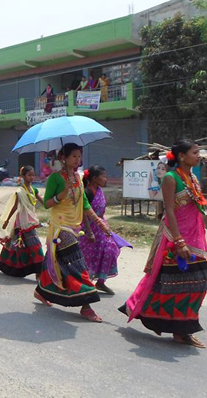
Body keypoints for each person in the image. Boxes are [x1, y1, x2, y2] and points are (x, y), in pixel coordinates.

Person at [121, 139, 207, 348]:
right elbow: (169, 210)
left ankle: (180, 325)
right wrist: (179, 242)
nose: (199, 156)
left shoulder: (193, 177)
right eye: (195, 152)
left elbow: (198, 206)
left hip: (196, 236)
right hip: (176, 237)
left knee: (198, 284)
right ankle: (181, 330)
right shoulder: (170, 178)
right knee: (175, 285)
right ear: (181, 156)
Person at [36, 143, 111, 322]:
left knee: (57, 260)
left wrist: (100, 224)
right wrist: (62, 193)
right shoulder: (55, 178)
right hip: (60, 226)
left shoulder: (77, 178)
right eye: (74, 156)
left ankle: (41, 290)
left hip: (74, 226)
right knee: (77, 262)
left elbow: (85, 204)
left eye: (79, 156)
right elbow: (46, 204)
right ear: (64, 158)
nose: (78, 160)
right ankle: (86, 306)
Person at [79, 165, 127, 295]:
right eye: (103, 176)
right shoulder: (87, 192)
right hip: (88, 228)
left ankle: (101, 281)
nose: (106, 179)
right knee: (89, 256)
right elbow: (84, 212)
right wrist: (89, 232)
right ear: (94, 178)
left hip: (100, 227)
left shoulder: (99, 190)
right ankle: (86, 283)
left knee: (110, 250)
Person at [0, 165, 45, 277]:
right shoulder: (20, 191)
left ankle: (10, 268)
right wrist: (7, 220)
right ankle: (39, 272)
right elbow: (14, 207)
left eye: (33, 175)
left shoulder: (34, 190)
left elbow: (44, 203)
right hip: (23, 222)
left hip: (31, 221)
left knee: (20, 246)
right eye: (29, 175)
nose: (32, 177)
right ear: (23, 176)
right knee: (35, 245)